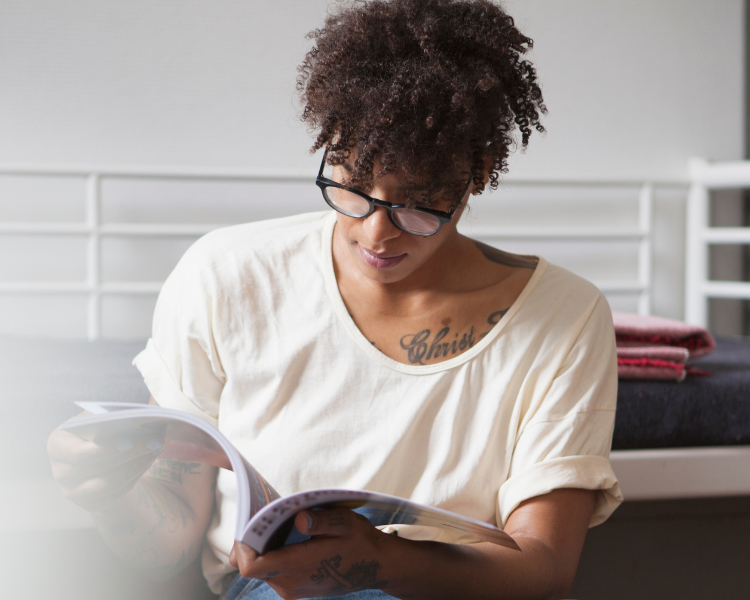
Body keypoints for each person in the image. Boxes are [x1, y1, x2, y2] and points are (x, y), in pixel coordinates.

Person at [48, 1, 621, 598]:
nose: (377, 233)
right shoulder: (226, 276)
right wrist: (108, 496)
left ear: (476, 173)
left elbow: (545, 565)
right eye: (350, 185)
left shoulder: (565, 316)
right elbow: (168, 544)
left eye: (417, 202)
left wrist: (383, 560)